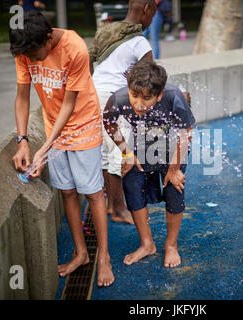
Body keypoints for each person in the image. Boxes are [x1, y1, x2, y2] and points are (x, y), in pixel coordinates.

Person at [9, 11, 114, 286]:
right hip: (52, 126)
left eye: (34, 54)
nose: (30, 61)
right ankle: (81, 253)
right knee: (66, 192)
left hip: (83, 124)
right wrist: (23, 141)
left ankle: (103, 256)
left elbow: (69, 104)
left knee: (92, 193)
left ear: (47, 38)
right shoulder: (25, 47)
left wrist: (44, 148)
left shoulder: (75, 48)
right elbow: (22, 97)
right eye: (26, 57)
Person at [103, 60, 195, 267]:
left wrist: (174, 170)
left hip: (174, 148)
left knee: (174, 188)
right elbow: (108, 122)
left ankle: (171, 245)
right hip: (143, 145)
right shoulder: (118, 99)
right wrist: (127, 153)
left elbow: (185, 134)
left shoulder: (173, 97)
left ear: (159, 95)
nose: (139, 104)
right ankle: (147, 244)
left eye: (147, 98)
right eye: (134, 96)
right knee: (131, 183)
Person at [90, 0, 157, 225]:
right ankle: (118, 209)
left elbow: (91, 61)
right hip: (112, 98)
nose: (151, 20)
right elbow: (151, 79)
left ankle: (113, 205)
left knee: (107, 154)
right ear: (147, 9)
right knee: (120, 154)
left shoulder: (107, 31)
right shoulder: (139, 41)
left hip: (92, 95)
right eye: (153, 15)